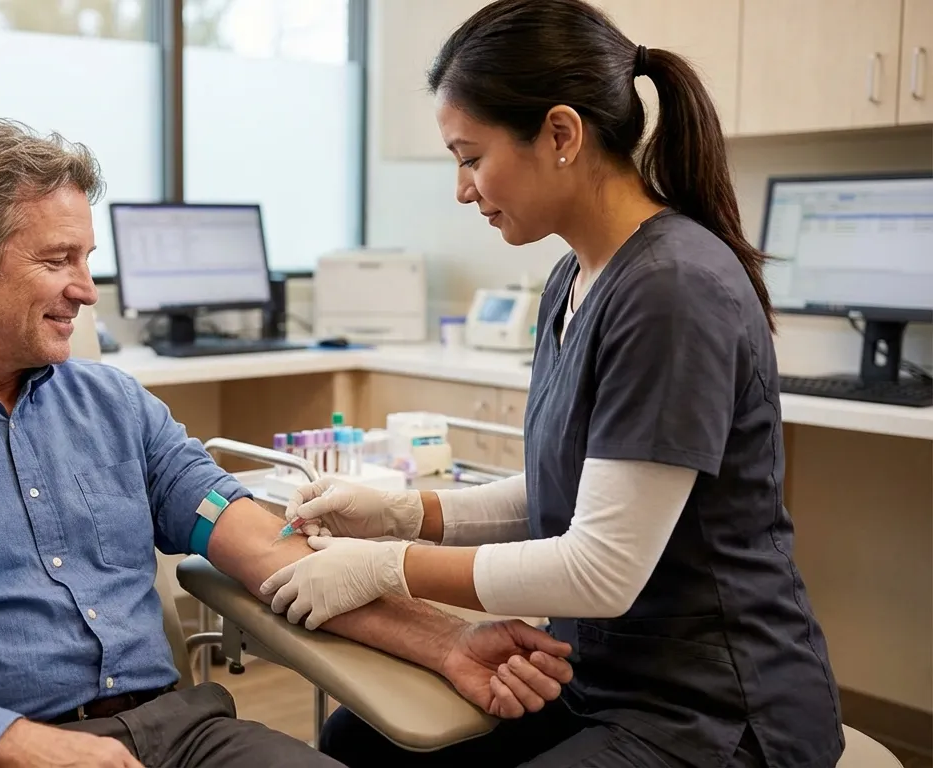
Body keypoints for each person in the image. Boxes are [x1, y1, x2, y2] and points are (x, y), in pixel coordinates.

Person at [0, 118, 577, 768]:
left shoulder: (115, 406)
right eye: (58, 260)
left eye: (87, 258)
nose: (86, 291)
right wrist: (14, 745)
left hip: (180, 736)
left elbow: (264, 548)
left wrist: (448, 639)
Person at [258, 1, 845, 766]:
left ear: (561, 135)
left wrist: (383, 565)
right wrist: (404, 512)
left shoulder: (673, 288)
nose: (463, 189)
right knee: (357, 741)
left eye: (471, 157)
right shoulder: (575, 276)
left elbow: (598, 567)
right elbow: (566, 491)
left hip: (714, 706)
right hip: (598, 674)